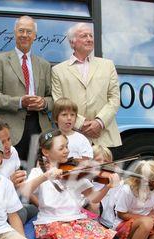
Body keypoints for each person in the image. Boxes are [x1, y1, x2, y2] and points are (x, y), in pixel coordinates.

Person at [21, 129, 118, 239]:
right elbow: (25, 190)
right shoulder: (38, 172)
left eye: (67, 146)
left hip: (76, 218)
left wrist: (107, 187)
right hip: (50, 221)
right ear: (45, 152)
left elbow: (94, 198)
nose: (66, 150)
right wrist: (45, 176)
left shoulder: (75, 170)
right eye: (61, 148)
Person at [0, 15, 53, 162]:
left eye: (29, 32)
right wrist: (20, 102)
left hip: (39, 129)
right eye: (21, 31)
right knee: (12, 175)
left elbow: (52, 97)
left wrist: (44, 103)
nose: (24, 35)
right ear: (14, 32)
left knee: (38, 175)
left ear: (35, 36)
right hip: (11, 130)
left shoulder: (44, 65)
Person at [51, 23, 121, 155]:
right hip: (72, 137)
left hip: (104, 136)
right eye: (84, 36)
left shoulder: (108, 65)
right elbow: (58, 103)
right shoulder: (58, 70)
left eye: (91, 36)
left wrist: (99, 122)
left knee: (106, 175)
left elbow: (114, 98)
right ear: (72, 43)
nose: (89, 39)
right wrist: (81, 123)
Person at [89, 145, 121, 228]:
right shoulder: (88, 184)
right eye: (97, 161)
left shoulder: (117, 183)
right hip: (97, 225)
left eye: (106, 161)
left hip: (116, 224)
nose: (102, 164)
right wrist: (107, 187)